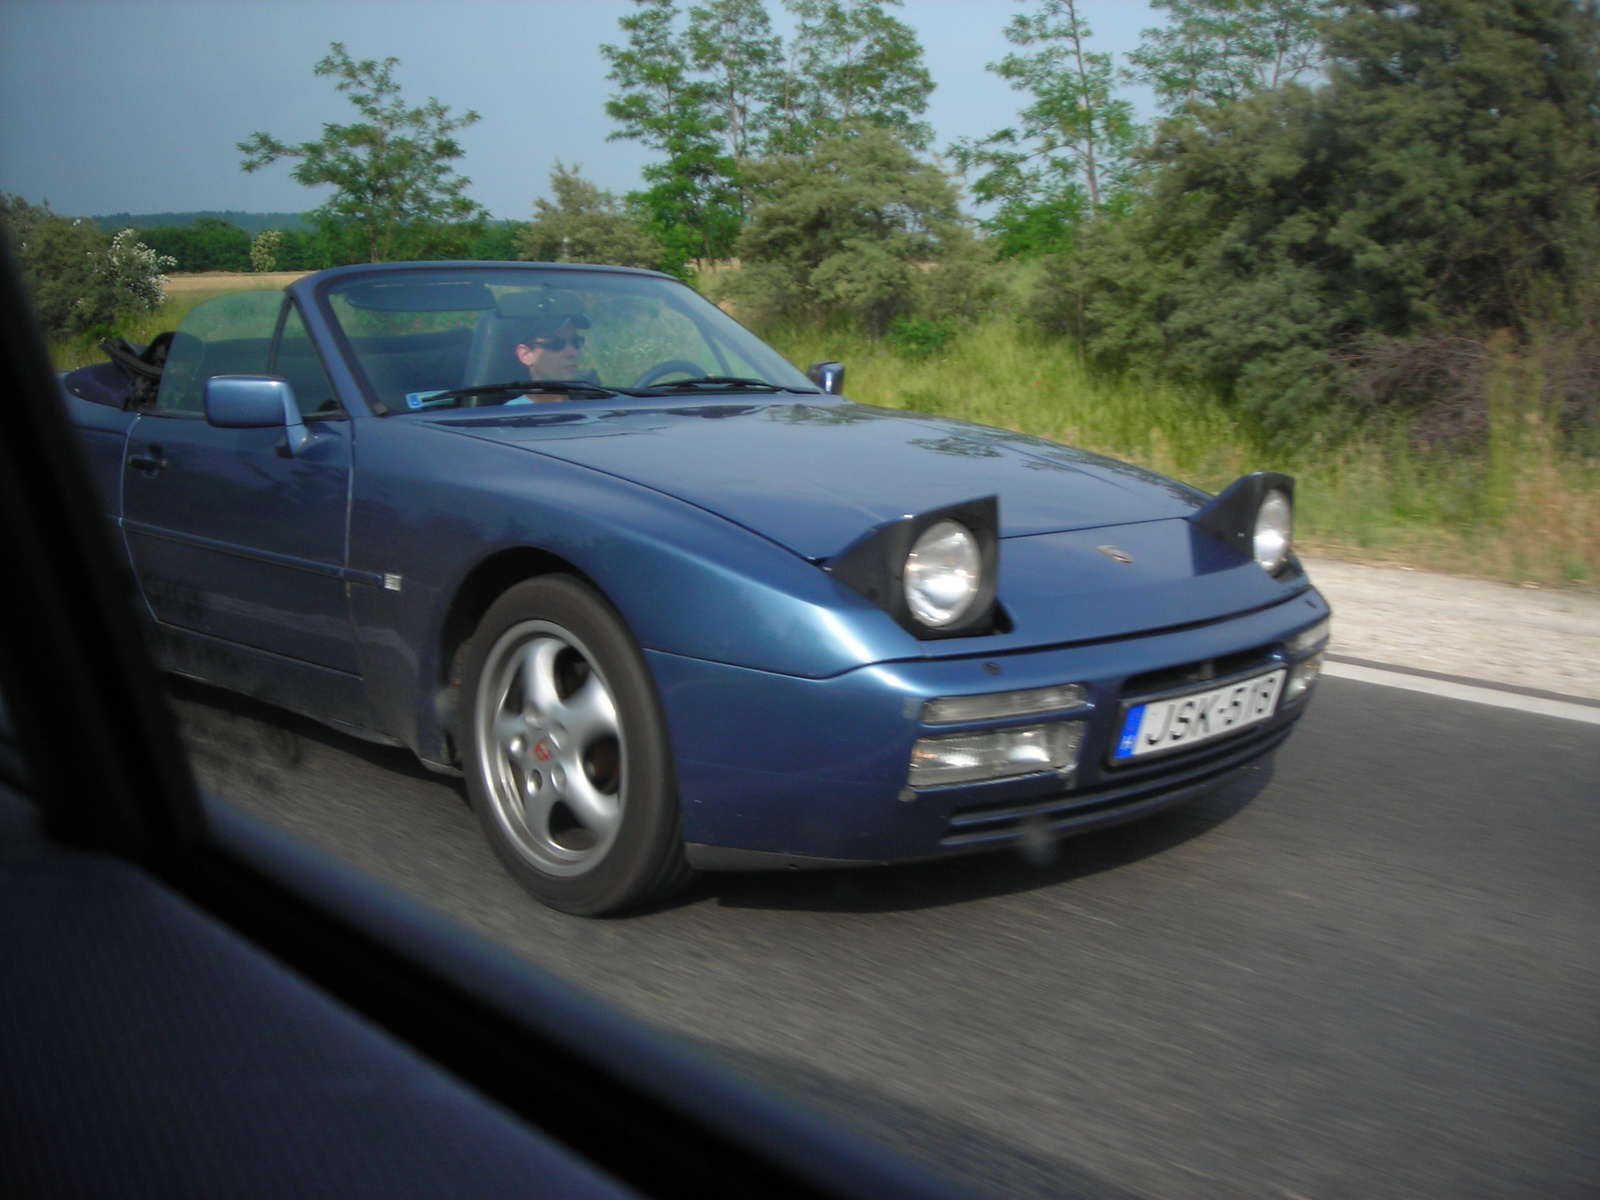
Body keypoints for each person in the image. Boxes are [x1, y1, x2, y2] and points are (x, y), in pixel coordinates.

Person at [509, 290, 592, 395]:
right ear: (526, 355)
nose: (572, 352)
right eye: (556, 344)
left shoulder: (598, 403)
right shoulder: (514, 411)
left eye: (576, 342)